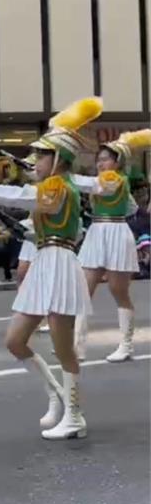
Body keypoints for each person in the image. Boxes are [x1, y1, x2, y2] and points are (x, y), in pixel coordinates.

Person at [0, 96, 99, 440]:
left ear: (58, 159)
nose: (36, 160)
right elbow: (36, 206)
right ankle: (56, 394)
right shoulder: (54, 187)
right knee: (14, 341)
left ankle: (75, 415)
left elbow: (22, 197)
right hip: (44, 260)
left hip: (60, 264)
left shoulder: (58, 185)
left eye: (42, 154)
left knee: (63, 346)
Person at [69, 128, 148, 363]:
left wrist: (63, 176)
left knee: (118, 291)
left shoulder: (116, 180)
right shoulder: (106, 182)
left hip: (116, 232)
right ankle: (76, 345)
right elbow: (132, 207)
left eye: (106, 159)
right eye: (99, 159)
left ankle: (126, 345)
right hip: (97, 232)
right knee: (84, 290)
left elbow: (94, 186)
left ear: (117, 162)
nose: (101, 163)